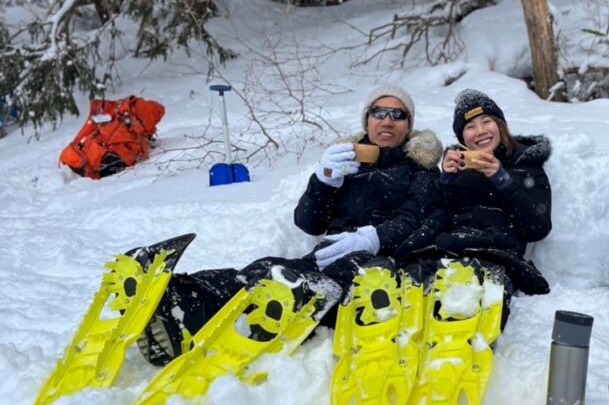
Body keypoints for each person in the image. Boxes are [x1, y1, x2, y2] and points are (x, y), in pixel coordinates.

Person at [137, 86, 442, 364]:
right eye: (379, 112)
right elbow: (309, 223)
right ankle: (179, 299)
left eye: (398, 115)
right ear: (367, 120)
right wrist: (324, 180)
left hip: (377, 264)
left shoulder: (421, 170)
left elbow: (416, 220)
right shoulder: (344, 161)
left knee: (304, 284)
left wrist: (374, 237)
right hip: (327, 254)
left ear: (408, 125)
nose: (387, 121)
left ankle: (273, 316)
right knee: (266, 269)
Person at [397, 89, 552, 312]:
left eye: (486, 121)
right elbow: (433, 216)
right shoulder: (458, 167)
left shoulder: (526, 166)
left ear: (500, 124)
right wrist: (446, 181)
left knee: (467, 301)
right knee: (410, 295)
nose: (480, 131)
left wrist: (503, 181)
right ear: (462, 138)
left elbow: (537, 228)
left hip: (496, 256)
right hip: (445, 252)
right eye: (470, 126)